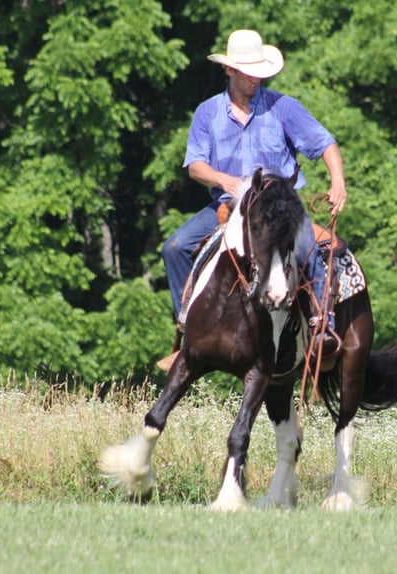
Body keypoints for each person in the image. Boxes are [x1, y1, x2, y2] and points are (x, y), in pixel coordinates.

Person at [158, 29, 347, 371]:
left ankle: (322, 325)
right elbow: (196, 166)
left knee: (311, 249)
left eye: (259, 72)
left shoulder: (283, 108)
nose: (255, 79)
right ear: (229, 70)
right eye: (248, 72)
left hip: (279, 210)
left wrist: (338, 182)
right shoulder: (207, 113)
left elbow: (324, 143)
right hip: (228, 208)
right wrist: (223, 179)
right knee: (174, 248)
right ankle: (187, 328)